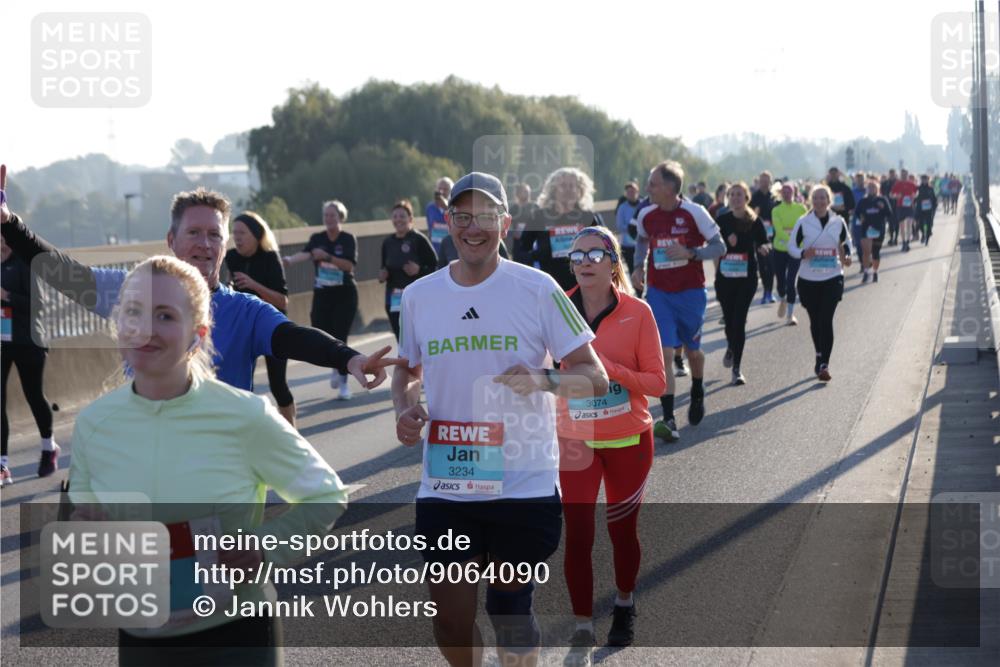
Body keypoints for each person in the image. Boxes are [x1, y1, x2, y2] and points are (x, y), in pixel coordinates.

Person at [68, 255, 349, 666]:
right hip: (140, 640)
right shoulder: (93, 423)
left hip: (236, 637)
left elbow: (327, 495)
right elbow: (86, 512)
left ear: (197, 336)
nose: (145, 329)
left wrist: (265, 551)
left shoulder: (245, 415)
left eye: (165, 315)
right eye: (134, 312)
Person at [392, 172, 608, 667]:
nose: (474, 227)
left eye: (485, 216)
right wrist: (406, 407)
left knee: (508, 606)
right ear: (447, 223)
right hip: (449, 480)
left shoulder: (537, 289)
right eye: (463, 216)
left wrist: (542, 379)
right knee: (450, 617)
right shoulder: (420, 295)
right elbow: (407, 370)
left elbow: (593, 378)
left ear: (504, 224)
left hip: (523, 480)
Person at [0, 174, 400, 395]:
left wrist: (349, 359)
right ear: (171, 241)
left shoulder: (245, 309)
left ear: (225, 247)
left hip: (222, 476)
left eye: (215, 235)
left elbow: (295, 337)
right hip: (152, 467)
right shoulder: (134, 290)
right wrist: (8, 222)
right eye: (194, 233)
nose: (204, 245)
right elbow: (60, 273)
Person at [557, 227, 665, 665]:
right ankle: (582, 625)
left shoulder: (638, 313)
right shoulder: (557, 310)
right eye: (576, 254)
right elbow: (542, 370)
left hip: (628, 440)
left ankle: (624, 603)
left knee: (622, 532)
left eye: (594, 253)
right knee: (578, 537)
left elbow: (657, 383)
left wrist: (611, 371)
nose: (584, 261)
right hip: (575, 440)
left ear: (613, 262)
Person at [630, 161, 725, 443]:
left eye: (653, 184)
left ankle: (697, 388)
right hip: (659, 293)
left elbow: (720, 246)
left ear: (670, 188)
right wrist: (637, 267)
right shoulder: (647, 214)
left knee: (693, 352)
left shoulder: (695, 212)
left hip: (691, 293)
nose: (648, 189)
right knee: (666, 353)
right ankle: (668, 418)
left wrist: (691, 252)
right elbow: (641, 243)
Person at [224, 211, 297, 424]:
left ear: (256, 235)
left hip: (272, 326)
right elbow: (231, 283)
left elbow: (282, 301)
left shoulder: (270, 258)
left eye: (242, 233)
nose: (236, 237)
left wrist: (253, 284)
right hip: (244, 325)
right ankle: (246, 434)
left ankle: (291, 432)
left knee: (277, 385)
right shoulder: (231, 257)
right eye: (234, 232)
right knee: (243, 384)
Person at [283, 200, 360, 400]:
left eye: (332, 215)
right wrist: (290, 260)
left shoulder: (347, 239)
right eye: (326, 215)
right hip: (323, 294)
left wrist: (327, 257)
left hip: (344, 293)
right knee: (321, 331)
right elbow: (305, 254)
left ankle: (343, 383)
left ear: (340, 217)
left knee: (341, 335)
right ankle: (335, 366)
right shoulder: (317, 238)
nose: (329, 219)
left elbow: (349, 266)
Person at [1, 234, 56, 482]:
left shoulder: (26, 263)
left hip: (29, 341)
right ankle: (2, 465)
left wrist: (7, 296)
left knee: (34, 396)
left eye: (4, 237)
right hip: (3, 340)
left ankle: (48, 447)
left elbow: (39, 304)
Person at [787, 185, 853, 382]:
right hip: (808, 280)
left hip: (832, 277)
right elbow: (791, 246)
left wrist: (848, 255)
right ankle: (818, 354)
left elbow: (847, 242)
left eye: (823, 198)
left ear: (829, 200)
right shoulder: (803, 222)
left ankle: (824, 363)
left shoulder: (838, 221)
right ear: (811, 200)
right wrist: (802, 254)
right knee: (815, 321)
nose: (819, 201)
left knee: (826, 319)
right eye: (816, 198)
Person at [714, 183, 770, 385]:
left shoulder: (754, 221)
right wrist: (722, 242)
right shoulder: (721, 220)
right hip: (725, 280)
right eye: (732, 194)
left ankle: (736, 368)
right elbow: (712, 244)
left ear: (746, 198)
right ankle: (731, 345)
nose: (736, 198)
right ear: (728, 198)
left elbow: (764, 241)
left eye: (740, 195)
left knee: (739, 321)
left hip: (746, 279)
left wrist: (763, 248)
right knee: (729, 322)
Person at [519, 168, 605, 291]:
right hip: (550, 288)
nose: (568, 190)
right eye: (563, 186)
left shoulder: (588, 217)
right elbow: (520, 252)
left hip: (585, 288)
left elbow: (608, 248)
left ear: (580, 191)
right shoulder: (539, 217)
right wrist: (538, 256)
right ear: (553, 190)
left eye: (572, 186)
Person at [379, 200, 437, 340]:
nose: (398, 220)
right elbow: (383, 268)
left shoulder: (419, 239)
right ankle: (405, 362)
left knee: (419, 340)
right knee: (402, 342)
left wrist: (419, 270)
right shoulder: (387, 243)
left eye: (402, 216)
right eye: (395, 216)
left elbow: (436, 268)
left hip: (417, 298)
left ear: (410, 219)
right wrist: (382, 275)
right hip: (394, 300)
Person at [770, 182, 807, 325]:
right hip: (779, 249)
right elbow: (778, 230)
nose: (786, 194)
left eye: (789, 191)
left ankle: (790, 315)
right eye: (784, 192)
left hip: (795, 251)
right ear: (780, 193)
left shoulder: (801, 208)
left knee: (792, 282)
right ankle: (783, 298)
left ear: (794, 193)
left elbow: (805, 228)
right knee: (780, 283)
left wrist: (797, 242)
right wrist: (793, 238)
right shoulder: (776, 210)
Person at [854, 178, 893, 283]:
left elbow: (889, 213)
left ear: (877, 189)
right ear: (867, 189)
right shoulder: (863, 201)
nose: (871, 189)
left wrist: (882, 208)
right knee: (866, 252)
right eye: (869, 187)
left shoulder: (882, 199)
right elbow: (857, 212)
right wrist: (860, 217)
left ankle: (875, 272)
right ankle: (866, 272)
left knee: (875, 253)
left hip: (878, 229)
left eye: (874, 187)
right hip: (866, 228)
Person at [749, 171, 779, 304]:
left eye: (767, 181)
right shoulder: (753, 198)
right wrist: (754, 215)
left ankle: (769, 292)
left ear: (770, 182)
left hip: (773, 235)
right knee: (762, 264)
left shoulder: (775, 198)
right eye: (762, 181)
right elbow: (748, 215)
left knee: (772, 263)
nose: (764, 183)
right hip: (759, 235)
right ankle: (765, 291)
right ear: (759, 182)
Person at [615, 181, 641, 273]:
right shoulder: (622, 207)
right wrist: (632, 228)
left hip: (641, 244)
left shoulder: (642, 205)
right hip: (627, 245)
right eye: (629, 192)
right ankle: (635, 287)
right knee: (632, 269)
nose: (631, 194)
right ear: (626, 194)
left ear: (637, 192)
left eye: (633, 191)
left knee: (643, 269)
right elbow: (619, 225)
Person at [890, 169, 919, 251]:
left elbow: (917, 192)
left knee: (909, 225)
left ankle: (908, 242)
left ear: (907, 175)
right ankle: (903, 242)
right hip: (900, 207)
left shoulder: (911, 184)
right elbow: (891, 194)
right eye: (902, 175)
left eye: (905, 175)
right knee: (902, 226)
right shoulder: (898, 184)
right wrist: (896, 196)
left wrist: (914, 195)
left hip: (910, 206)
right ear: (900, 175)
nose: (904, 176)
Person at [509, 183, 538, 266]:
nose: (528, 193)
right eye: (525, 191)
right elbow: (506, 227)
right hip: (518, 245)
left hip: (532, 244)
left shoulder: (535, 207)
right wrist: (513, 233)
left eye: (528, 191)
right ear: (518, 194)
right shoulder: (513, 209)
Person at [426, 177, 454, 255]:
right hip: (435, 250)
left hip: (451, 250)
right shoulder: (430, 208)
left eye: (445, 189)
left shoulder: (456, 207)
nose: (442, 192)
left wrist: (446, 207)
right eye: (439, 189)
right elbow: (430, 230)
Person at [915, 174, 938, 245]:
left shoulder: (931, 189)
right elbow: (915, 197)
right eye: (923, 179)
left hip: (929, 210)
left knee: (929, 224)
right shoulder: (918, 188)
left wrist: (934, 207)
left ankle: (927, 238)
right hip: (920, 209)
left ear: (928, 180)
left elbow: (934, 199)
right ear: (921, 180)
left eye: (926, 179)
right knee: (921, 224)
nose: (924, 180)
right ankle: (923, 234)